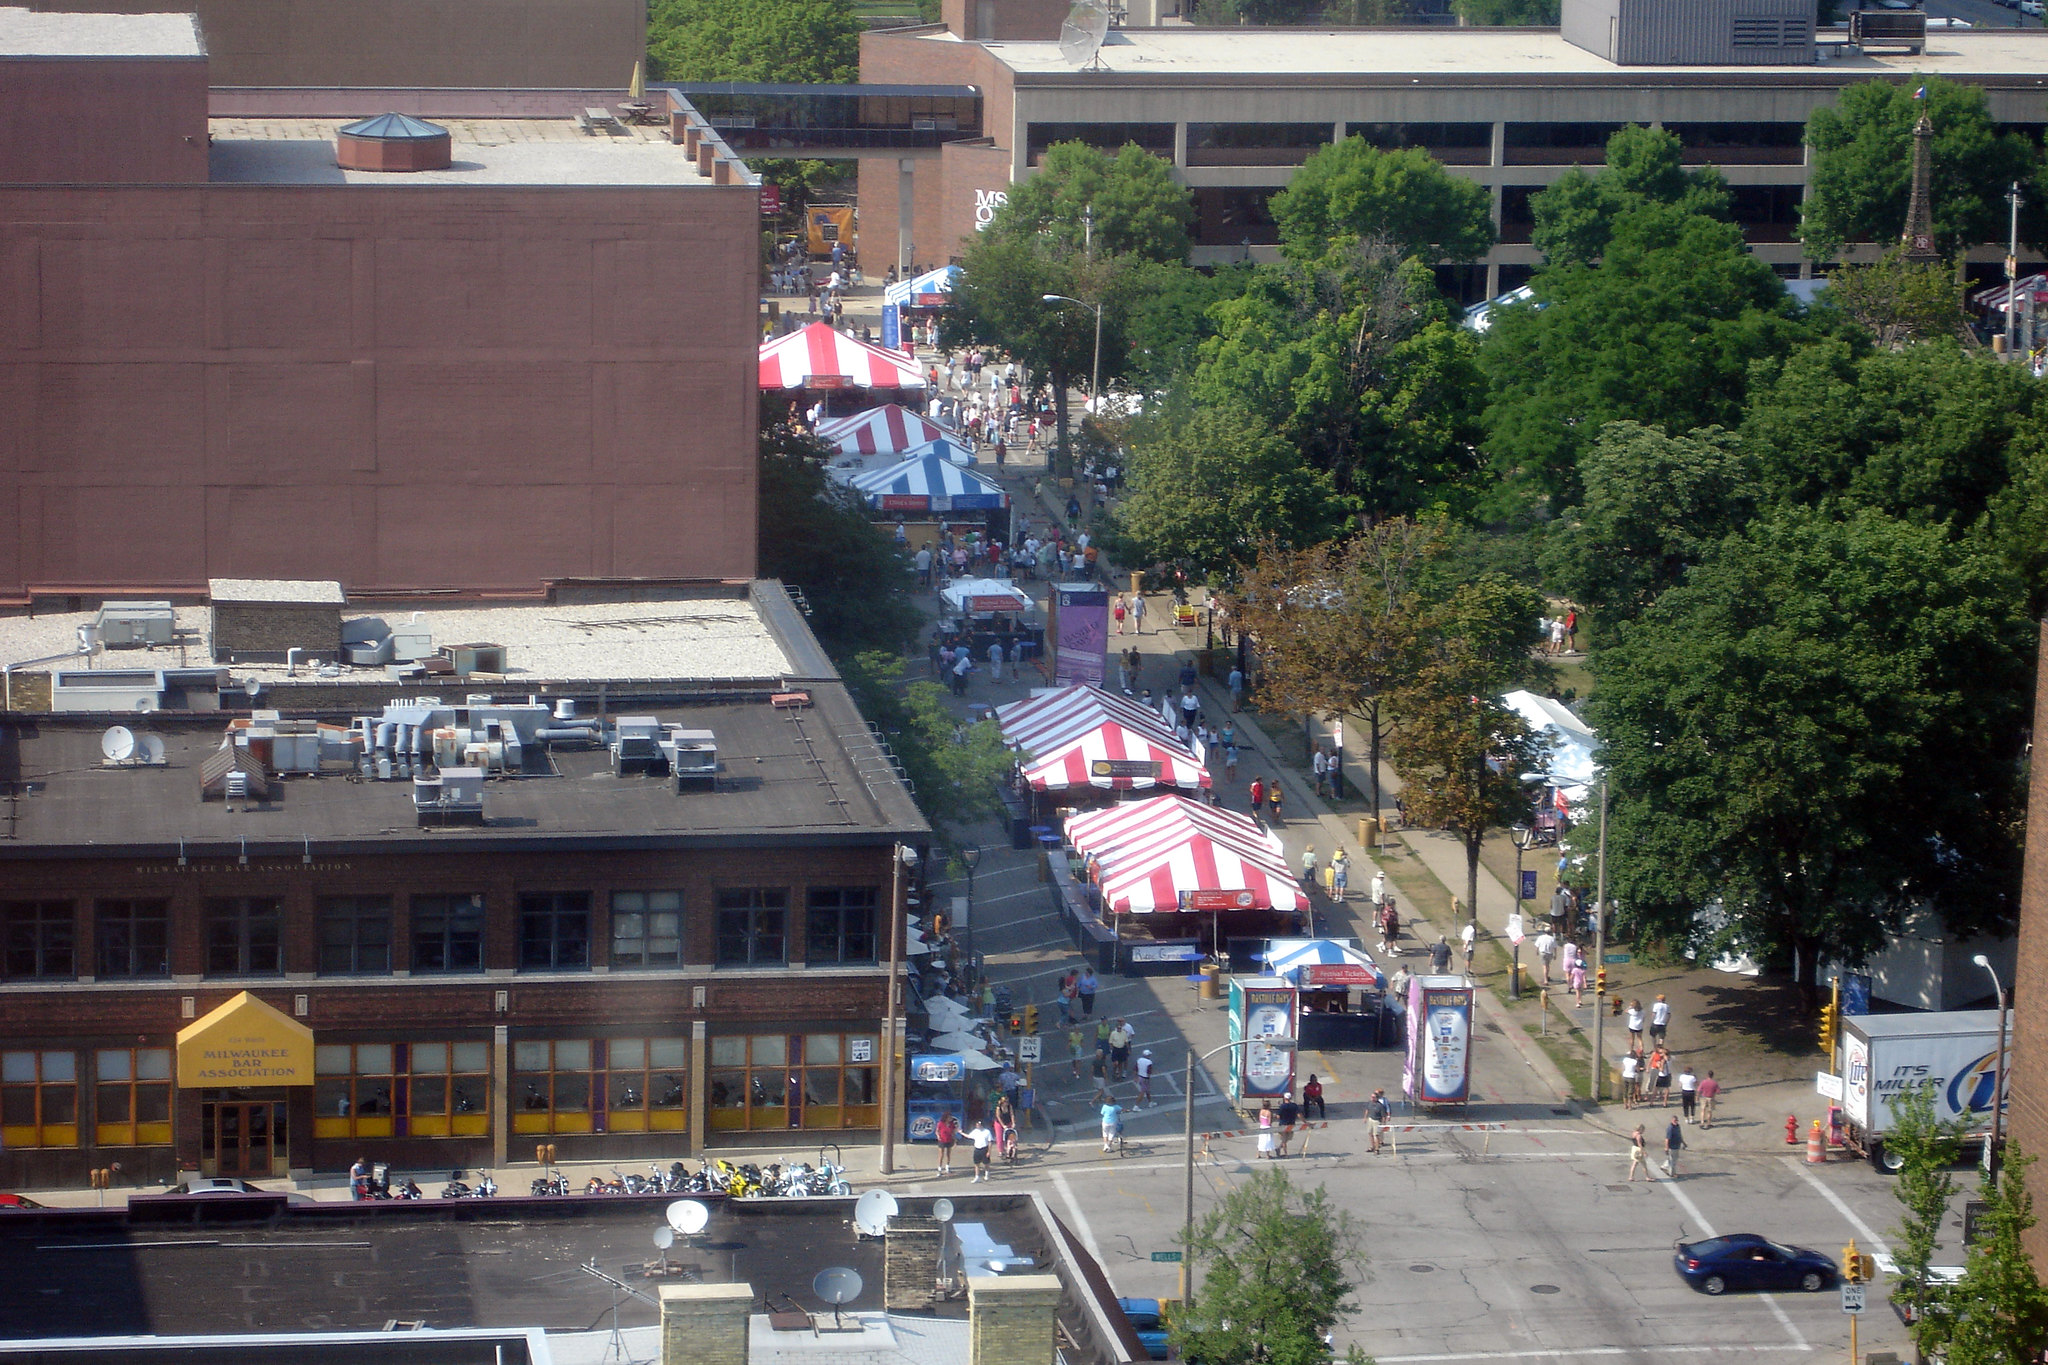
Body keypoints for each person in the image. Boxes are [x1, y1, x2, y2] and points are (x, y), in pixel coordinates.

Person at [1366, 1088, 1391, 1154]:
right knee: (1370, 1133)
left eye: (1373, 1097)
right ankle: (1372, 1146)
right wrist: (1365, 1118)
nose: (1371, 1098)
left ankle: (1377, 1149)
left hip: (1377, 1121)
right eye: (1371, 1097)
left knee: (1376, 1135)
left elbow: (1384, 1114)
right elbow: (1367, 1109)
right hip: (1371, 1119)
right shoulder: (1370, 1103)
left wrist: (1383, 1122)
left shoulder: (1380, 1105)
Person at [934, 1112, 959, 1176]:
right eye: (949, 1117)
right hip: (942, 1140)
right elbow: (937, 1131)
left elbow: (953, 1132)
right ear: (946, 1118)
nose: (950, 1118)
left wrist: (955, 1140)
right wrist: (938, 1136)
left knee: (948, 1154)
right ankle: (939, 1169)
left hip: (949, 1140)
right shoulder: (940, 1123)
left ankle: (947, 1167)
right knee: (941, 1155)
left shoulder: (951, 1124)